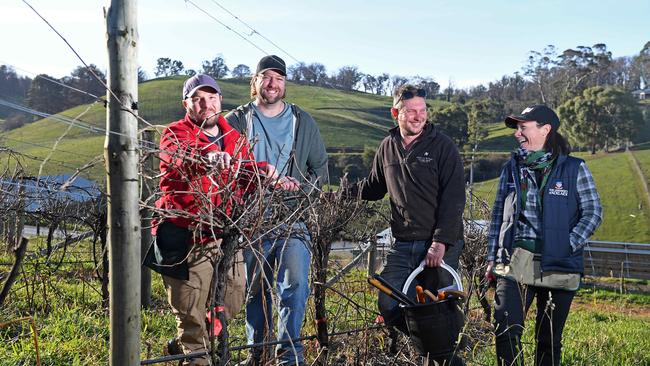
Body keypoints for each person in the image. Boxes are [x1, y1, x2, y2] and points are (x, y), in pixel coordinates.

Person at [145, 74, 274, 365]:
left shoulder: (234, 138)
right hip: (186, 236)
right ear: (186, 104)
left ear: (220, 100)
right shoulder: (174, 133)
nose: (206, 103)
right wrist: (206, 157)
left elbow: (246, 173)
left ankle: (188, 342)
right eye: (198, 99)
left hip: (226, 234)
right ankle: (193, 349)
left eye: (211, 97)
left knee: (233, 296)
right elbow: (179, 158)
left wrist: (267, 174)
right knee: (190, 310)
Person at [348, 84, 466, 365]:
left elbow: (454, 199)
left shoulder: (442, 147)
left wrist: (440, 243)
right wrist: (340, 193)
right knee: (388, 304)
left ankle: (446, 356)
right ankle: (433, 346)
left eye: (422, 110)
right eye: (411, 111)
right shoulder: (387, 146)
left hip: (439, 245)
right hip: (403, 243)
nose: (418, 116)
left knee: (439, 310)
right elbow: (374, 188)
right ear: (395, 113)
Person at [225, 55, 328, 366]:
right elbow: (223, 167)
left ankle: (289, 356)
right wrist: (254, 180)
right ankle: (256, 354)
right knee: (255, 290)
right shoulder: (236, 121)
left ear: (285, 84)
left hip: (292, 216)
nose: (272, 84)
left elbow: (320, 169)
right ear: (255, 81)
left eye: (278, 79)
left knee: (295, 285)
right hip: (250, 216)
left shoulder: (303, 121)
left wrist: (300, 190)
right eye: (266, 77)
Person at [485, 105, 603, 366]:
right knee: (505, 328)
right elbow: (497, 215)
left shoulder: (575, 169)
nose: (518, 134)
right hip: (515, 258)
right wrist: (492, 257)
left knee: (548, 339)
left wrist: (567, 244)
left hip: (559, 261)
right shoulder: (512, 168)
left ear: (545, 130)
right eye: (517, 128)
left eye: (523, 127)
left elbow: (593, 212)